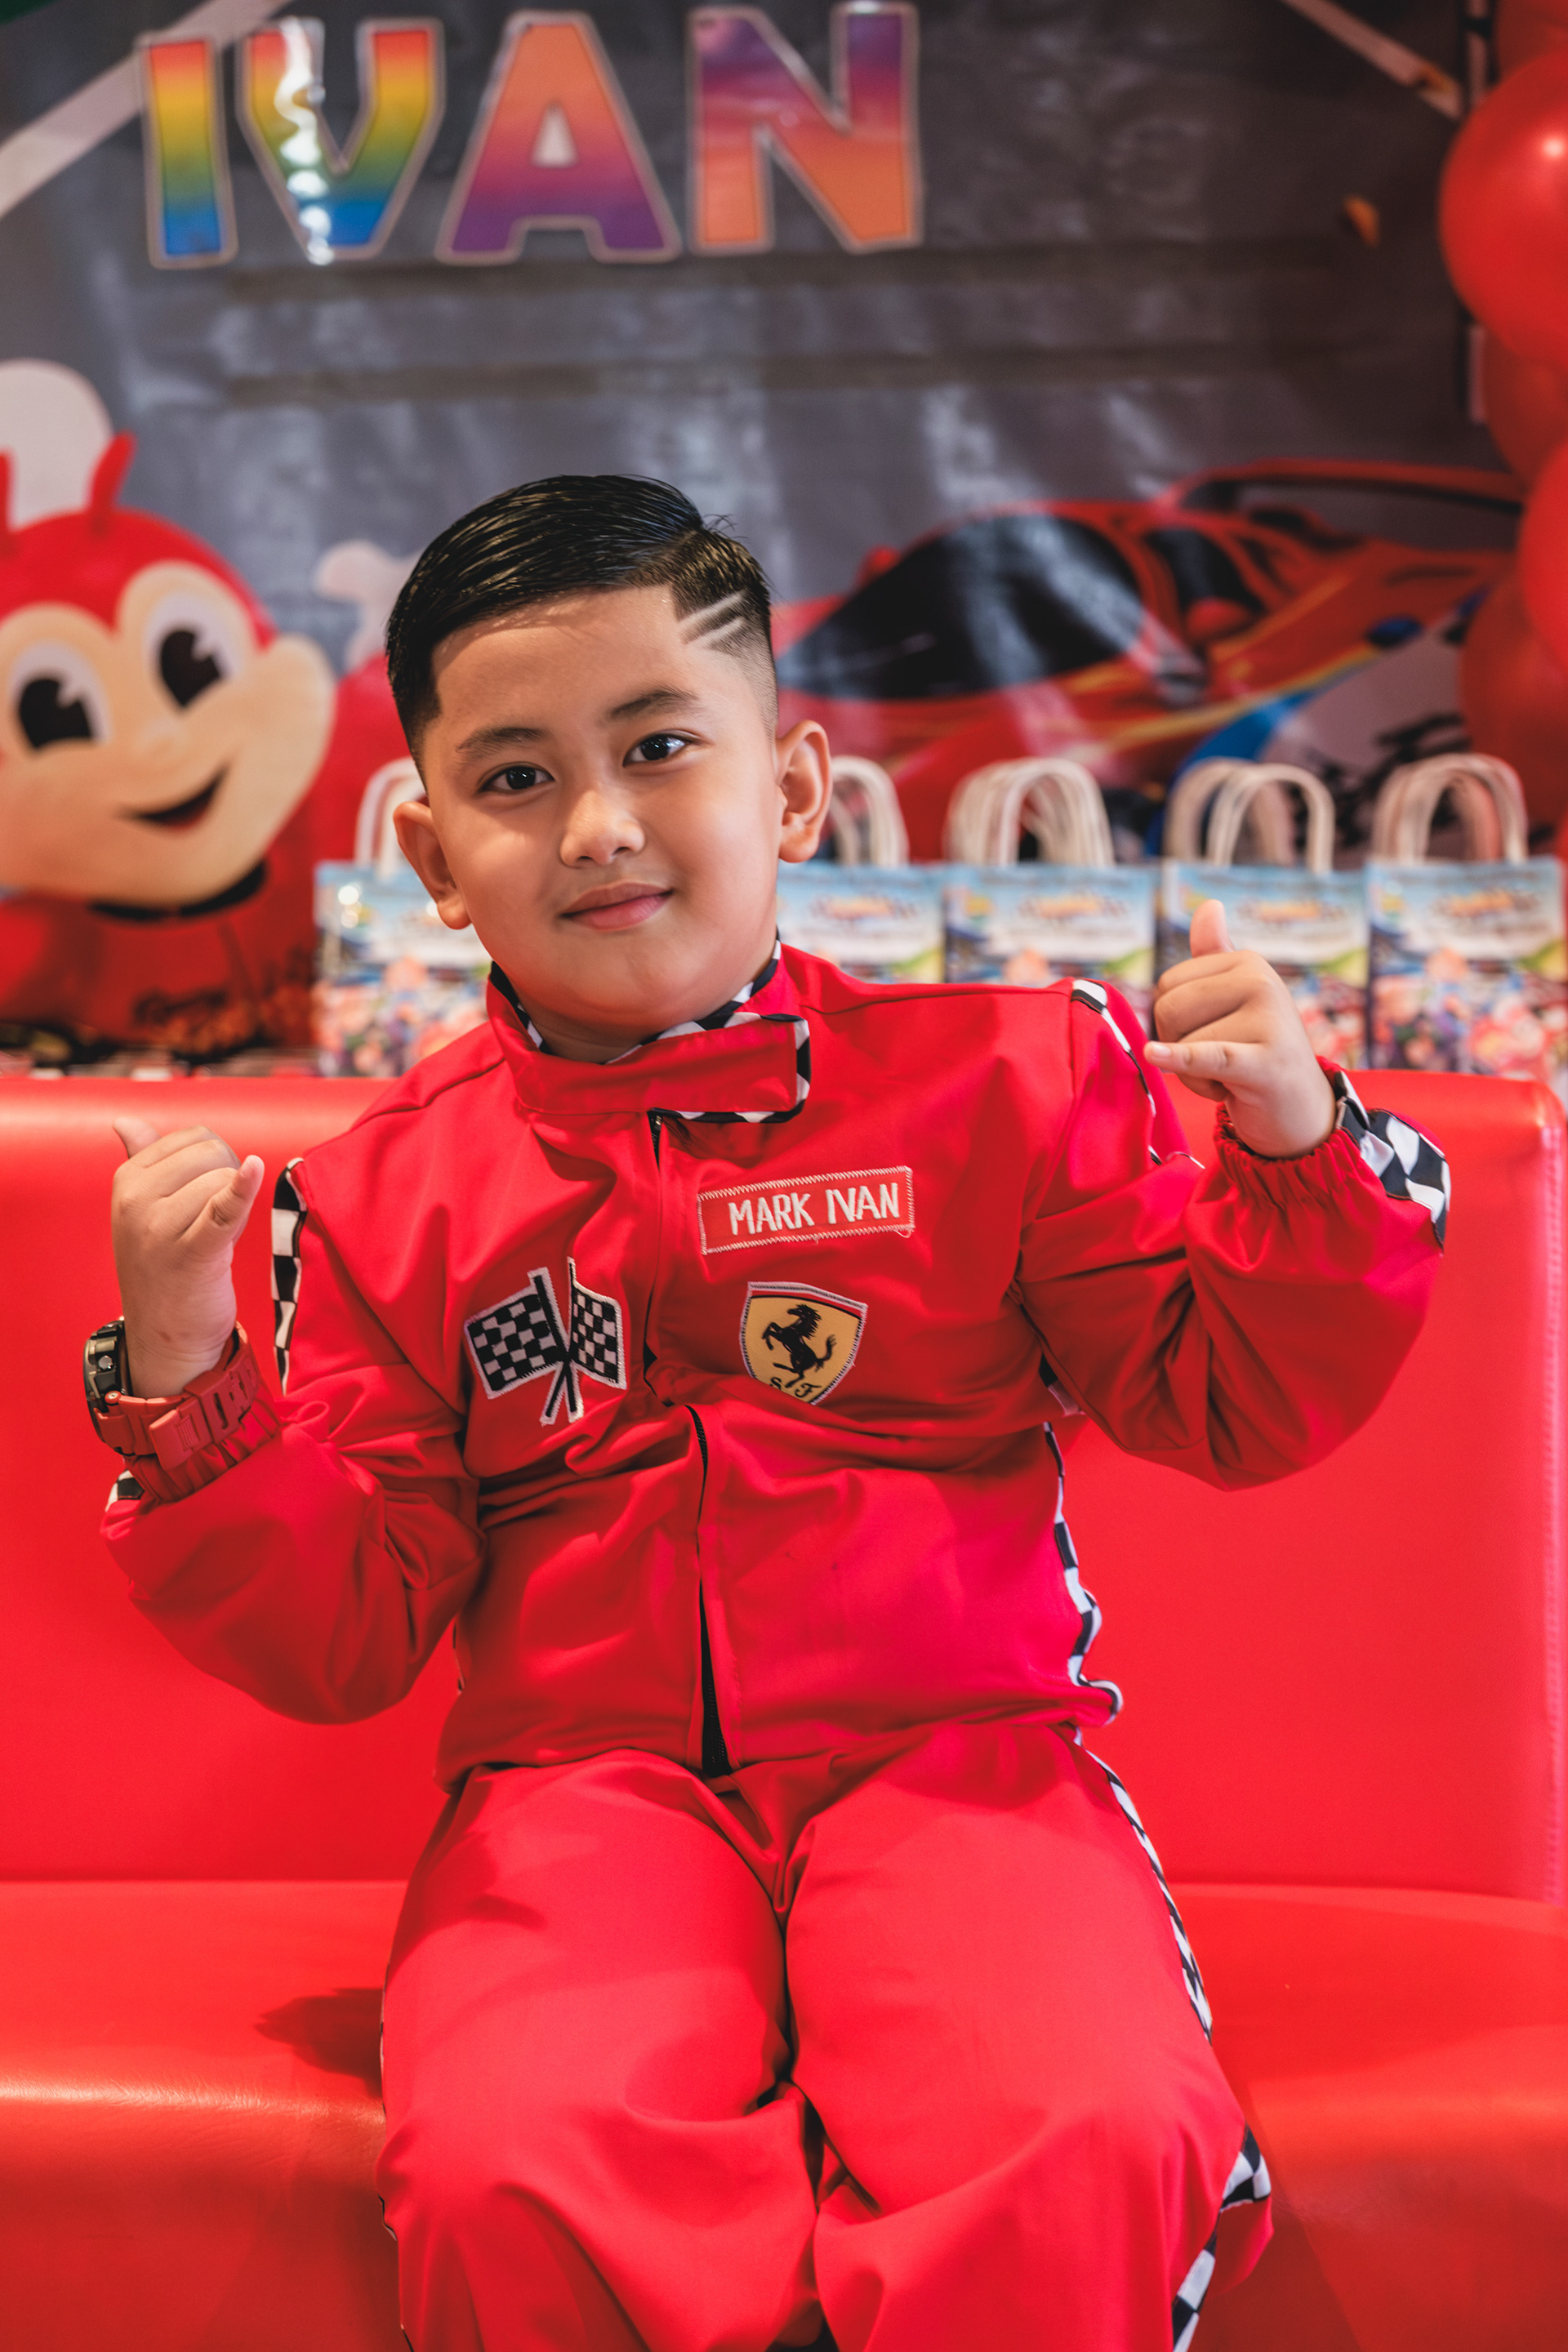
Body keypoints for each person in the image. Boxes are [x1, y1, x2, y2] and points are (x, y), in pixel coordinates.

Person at [91, 476, 1446, 2352]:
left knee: (1084, 2136)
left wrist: (1299, 1153)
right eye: (514, 779)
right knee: (512, 2164)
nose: (599, 826)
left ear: (793, 788)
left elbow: (1232, 1395)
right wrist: (190, 1384)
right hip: (580, 1801)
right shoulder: (385, 1193)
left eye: (660, 746)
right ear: (428, 852)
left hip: (963, 1763)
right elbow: (350, 1629)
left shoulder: (1012, 1079)